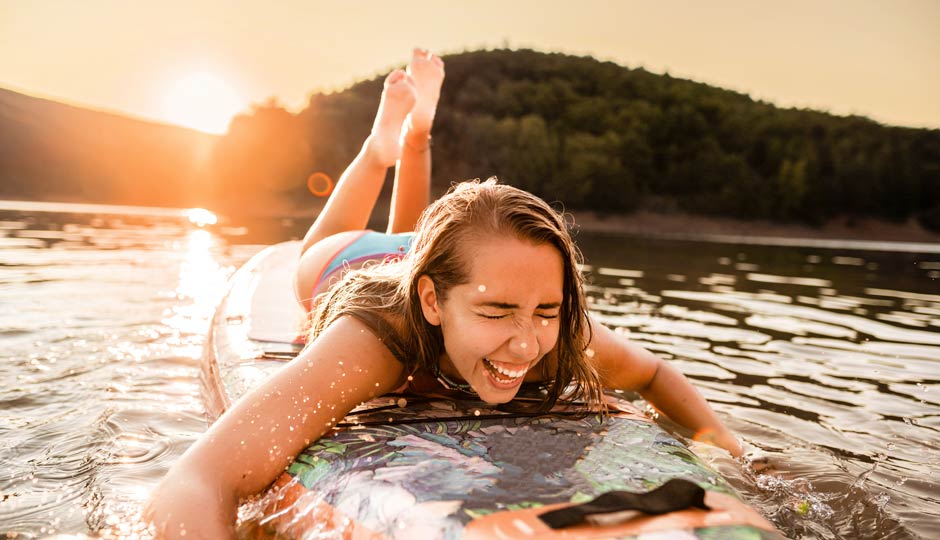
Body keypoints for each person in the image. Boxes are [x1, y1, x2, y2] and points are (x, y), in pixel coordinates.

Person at [146, 49, 742, 539]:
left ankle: (418, 133)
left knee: (428, 241)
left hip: (443, 267)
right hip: (352, 261)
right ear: (429, 305)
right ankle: (384, 146)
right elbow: (199, 478)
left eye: (547, 310)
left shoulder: (553, 338)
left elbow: (655, 374)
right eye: (498, 312)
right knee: (312, 251)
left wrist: (734, 455)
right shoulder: (374, 341)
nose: (525, 342)